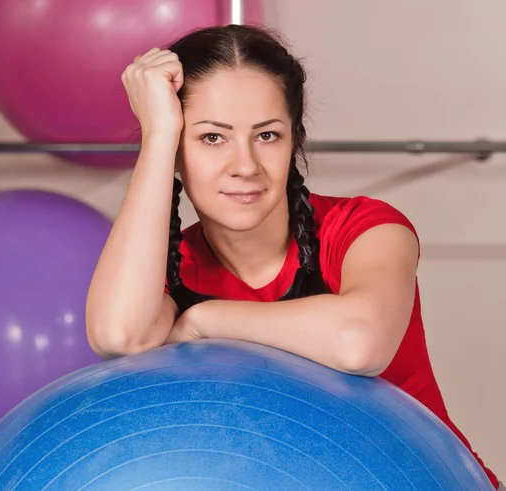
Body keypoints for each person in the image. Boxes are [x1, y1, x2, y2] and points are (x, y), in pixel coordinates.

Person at [85, 24, 500, 488]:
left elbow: (357, 342)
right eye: (211, 138)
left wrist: (204, 321)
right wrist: (158, 135)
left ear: (294, 141)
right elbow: (118, 334)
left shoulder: (367, 228)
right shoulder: (169, 266)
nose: (245, 166)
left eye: (266, 136)